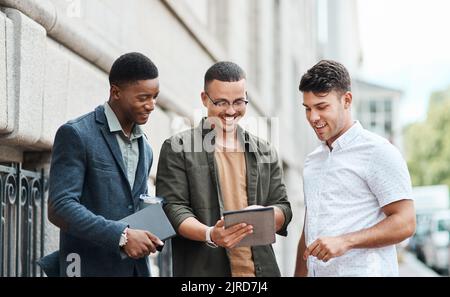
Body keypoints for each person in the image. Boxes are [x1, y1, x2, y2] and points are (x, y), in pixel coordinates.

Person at [156, 61, 292, 277]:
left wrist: (266, 215)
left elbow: (283, 207)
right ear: (204, 98)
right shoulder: (177, 148)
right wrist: (211, 234)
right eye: (221, 102)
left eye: (239, 102)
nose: (230, 111)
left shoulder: (265, 151)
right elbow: (173, 208)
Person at [294, 60, 416, 277]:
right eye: (308, 108)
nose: (313, 117)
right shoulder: (312, 161)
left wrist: (345, 241)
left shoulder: (378, 152)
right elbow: (309, 231)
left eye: (322, 107)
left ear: (347, 100)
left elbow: (405, 222)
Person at [47, 52, 163, 276]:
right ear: (116, 92)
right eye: (143, 98)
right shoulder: (77, 134)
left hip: (135, 270)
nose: (151, 105)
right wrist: (122, 236)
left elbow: (133, 205)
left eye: (155, 97)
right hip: (88, 268)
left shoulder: (145, 147)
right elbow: (60, 207)